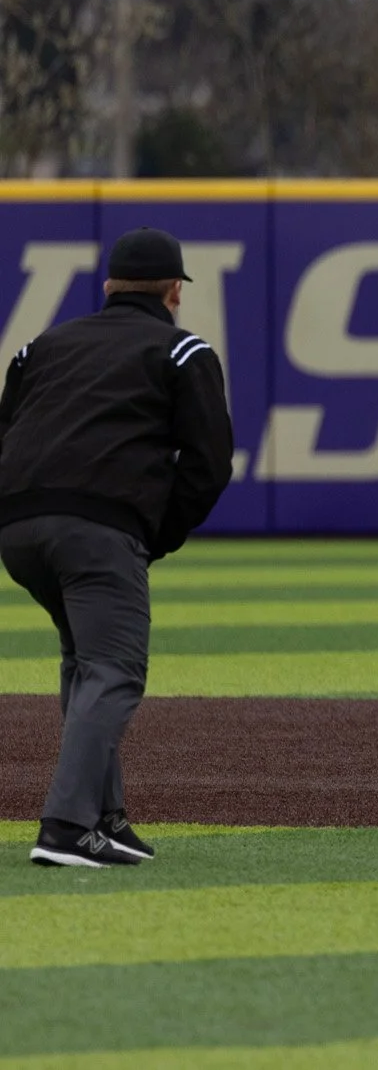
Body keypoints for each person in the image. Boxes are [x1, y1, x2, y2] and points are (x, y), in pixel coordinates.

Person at [0, 227, 234, 867]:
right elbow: (210, 462)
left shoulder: (39, 347)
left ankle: (106, 818)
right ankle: (66, 826)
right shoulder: (182, 350)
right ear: (173, 293)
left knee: (84, 661)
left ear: (107, 287)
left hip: (18, 527)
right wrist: (153, 535)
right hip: (97, 528)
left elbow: (8, 430)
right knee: (114, 670)